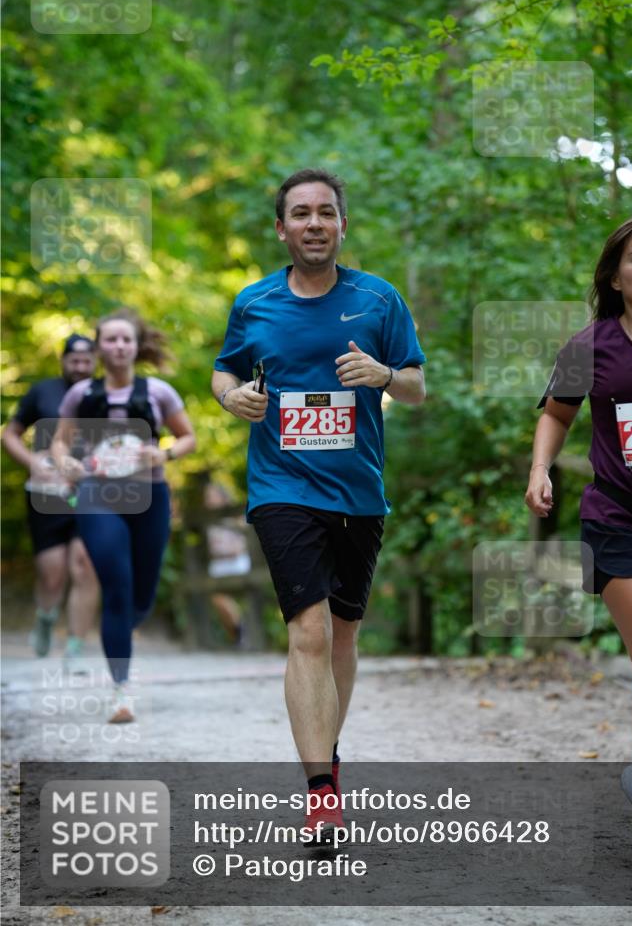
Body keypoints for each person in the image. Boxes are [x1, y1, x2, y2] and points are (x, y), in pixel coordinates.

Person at [211, 168, 426, 843]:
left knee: (341, 635)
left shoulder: (378, 299)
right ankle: (321, 793)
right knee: (306, 629)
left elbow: (417, 386)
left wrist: (385, 375)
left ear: (340, 225)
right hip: (281, 487)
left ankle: (324, 754)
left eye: (325, 213)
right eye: (299, 213)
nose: (312, 223)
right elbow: (225, 369)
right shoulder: (255, 303)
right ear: (281, 228)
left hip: (358, 492)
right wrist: (231, 397)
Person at [524, 215, 632, 891]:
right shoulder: (589, 345)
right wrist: (540, 471)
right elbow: (555, 412)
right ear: (615, 275)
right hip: (621, 522)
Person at [52, 310, 196, 723]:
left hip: (149, 494)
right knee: (117, 583)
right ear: (98, 348)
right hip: (97, 494)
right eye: (110, 340)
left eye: (125, 340)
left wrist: (163, 452)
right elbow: (60, 444)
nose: (118, 347)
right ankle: (121, 690)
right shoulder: (81, 395)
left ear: (136, 346)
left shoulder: (158, 392)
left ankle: (123, 629)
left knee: (141, 597)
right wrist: (67, 465)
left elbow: (188, 438)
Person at [2, 334, 99, 663]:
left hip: (92, 491)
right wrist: (32, 463)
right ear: (63, 361)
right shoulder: (42, 391)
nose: (81, 366)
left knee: (85, 565)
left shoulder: (105, 393)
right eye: (75, 360)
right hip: (48, 493)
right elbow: (10, 433)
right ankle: (45, 619)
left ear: (95, 362)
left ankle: (75, 647)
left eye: (87, 361)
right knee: (52, 572)